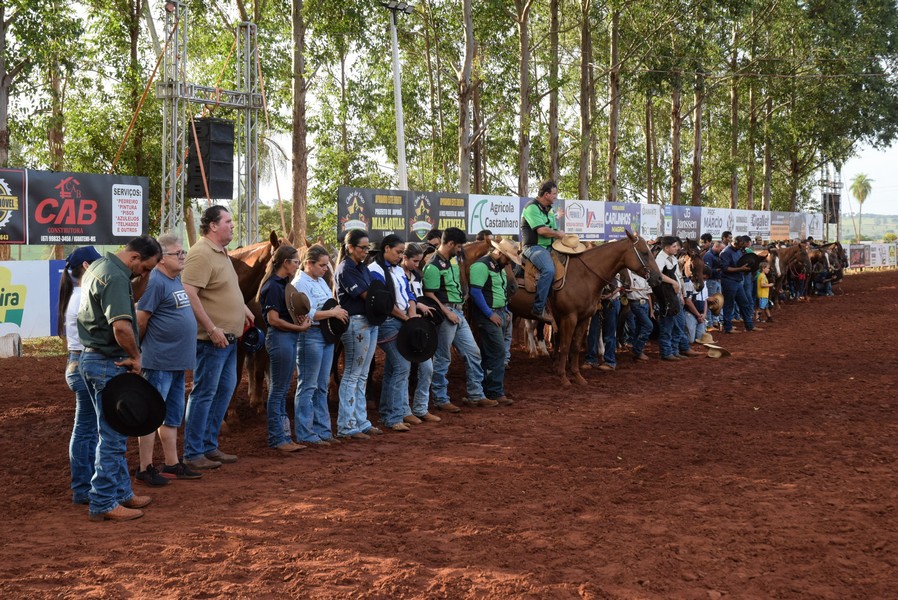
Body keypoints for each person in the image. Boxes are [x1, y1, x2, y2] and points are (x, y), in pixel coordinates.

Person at [78, 235, 162, 521]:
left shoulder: (102, 267)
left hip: (94, 359)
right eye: (145, 268)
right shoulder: (114, 276)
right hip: (109, 361)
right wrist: (137, 357)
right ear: (135, 258)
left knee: (113, 431)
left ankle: (121, 492)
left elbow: (134, 296)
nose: (144, 274)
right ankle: (102, 501)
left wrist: (144, 275)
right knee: (113, 436)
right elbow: (122, 328)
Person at [181, 205, 254, 470]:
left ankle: (209, 446)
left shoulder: (221, 253)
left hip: (229, 339)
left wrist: (243, 309)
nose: (232, 225)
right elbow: (189, 293)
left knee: (223, 393)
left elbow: (228, 288)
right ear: (213, 225)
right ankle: (193, 451)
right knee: (204, 393)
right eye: (228, 221)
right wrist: (211, 328)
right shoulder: (200, 253)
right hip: (211, 340)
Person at [135, 233, 202, 484]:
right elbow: (141, 320)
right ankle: (145, 467)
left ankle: (171, 463)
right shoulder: (155, 282)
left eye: (183, 252)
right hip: (158, 362)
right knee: (150, 414)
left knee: (172, 415)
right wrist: (138, 353)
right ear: (162, 259)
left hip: (176, 363)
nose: (183, 256)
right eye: (178, 253)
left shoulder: (175, 280)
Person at [423, 227, 494, 411]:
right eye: (459, 246)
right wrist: (447, 312)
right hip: (446, 312)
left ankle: (475, 394)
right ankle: (440, 398)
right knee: (442, 357)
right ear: (451, 244)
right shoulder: (432, 266)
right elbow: (428, 293)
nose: (460, 250)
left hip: (458, 312)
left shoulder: (453, 261)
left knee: (473, 353)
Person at [58, 245, 103, 506]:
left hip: (76, 362)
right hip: (83, 361)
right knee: (87, 429)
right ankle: (83, 488)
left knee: (86, 429)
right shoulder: (83, 296)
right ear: (87, 266)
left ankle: (84, 486)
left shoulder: (76, 294)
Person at [292, 245, 349, 445]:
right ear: (309, 263)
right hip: (311, 334)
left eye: (326, 265)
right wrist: (333, 313)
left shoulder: (321, 281)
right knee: (308, 385)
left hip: (325, 335)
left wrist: (336, 311)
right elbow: (306, 313)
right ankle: (306, 433)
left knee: (321, 384)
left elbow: (329, 303)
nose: (326, 269)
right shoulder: (300, 283)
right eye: (322, 265)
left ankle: (323, 430)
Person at [258, 245, 311, 452]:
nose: (298, 265)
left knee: (280, 390)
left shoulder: (282, 285)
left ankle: (283, 437)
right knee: (278, 391)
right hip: (280, 338)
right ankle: (277, 438)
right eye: (296, 261)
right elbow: (274, 320)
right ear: (285, 263)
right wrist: (299, 327)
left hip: (286, 338)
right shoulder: (273, 286)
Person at [369, 234, 420, 432]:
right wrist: (407, 319)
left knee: (394, 367)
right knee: (401, 365)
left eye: (401, 253)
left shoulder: (398, 269)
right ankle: (393, 416)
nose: (400, 256)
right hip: (387, 322)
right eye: (398, 252)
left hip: (402, 320)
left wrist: (412, 315)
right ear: (387, 248)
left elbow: (409, 294)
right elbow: (384, 303)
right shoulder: (374, 270)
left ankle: (388, 413)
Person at [335, 229, 382, 439]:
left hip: (368, 322)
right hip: (356, 322)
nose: (366, 251)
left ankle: (361, 421)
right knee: (352, 374)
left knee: (362, 374)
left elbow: (373, 293)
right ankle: (346, 424)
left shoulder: (362, 268)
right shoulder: (345, 268)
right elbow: (366, 295)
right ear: (350, 247)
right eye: (362, 248)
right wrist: (382, 300)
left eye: (367, 248)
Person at [469, 239, 518, 403]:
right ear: (500, 253)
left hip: (499, 313)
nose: (510, 261)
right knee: (498, 352)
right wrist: (490, 314)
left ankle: (485, 389)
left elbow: (500, 290)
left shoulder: (499, 267)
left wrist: (504, 311)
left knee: (490, 353)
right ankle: (495, 391)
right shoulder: (481, 266)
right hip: (489, 315)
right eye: (509, 257)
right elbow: (475, 292)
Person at [400, 243, 440, 423]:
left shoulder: (417, 275)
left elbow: (415, 295)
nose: (417, 264)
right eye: (414, 261)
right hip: (403, 322)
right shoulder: (397, 274)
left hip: (418, 324)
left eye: (419, 261)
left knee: (426, 367)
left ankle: (420, 407)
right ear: (405, 258)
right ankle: (404, 410)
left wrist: (419, 304)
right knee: (404, 369)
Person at [521, 179, 564, 322]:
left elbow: (554, 229)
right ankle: (538, 308)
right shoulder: (531, 207)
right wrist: (558, 234)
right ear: (546, 194)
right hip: (533, 248)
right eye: (554, 194)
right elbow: (542, 230)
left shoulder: (549, 211)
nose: (555, 196)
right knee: (549, 270)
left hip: (550, 248)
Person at [719, 235, 758, 334]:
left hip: (737, 280)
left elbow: (742, 262)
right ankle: (728, 328)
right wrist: (741, 269)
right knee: (729, 304)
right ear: (735, 243)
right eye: (740, 245)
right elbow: (725, 268)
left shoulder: (738, 250)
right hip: (728, 281)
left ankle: (749, 326)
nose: (741, 247)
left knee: (744, 303)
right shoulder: (726, 252)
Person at [625, 268, 654, 362]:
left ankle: (637, 351)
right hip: (636, 303)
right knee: (648, 326)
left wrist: (651, 310)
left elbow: (648, 295)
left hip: (644, 303)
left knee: (639, 327)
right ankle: (637, 350)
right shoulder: (629, 274)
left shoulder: (645, 277)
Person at [703, 241, 724, 330]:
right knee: (710, 301)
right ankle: (709, 323)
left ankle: (716, 321)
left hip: (717, 280)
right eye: (721, 249)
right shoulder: (708, 256)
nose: (722, 251)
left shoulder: (716, 255)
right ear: (716, 247)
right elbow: (707, 270)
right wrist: (718, 270)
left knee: (718, 302)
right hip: (711, 281)